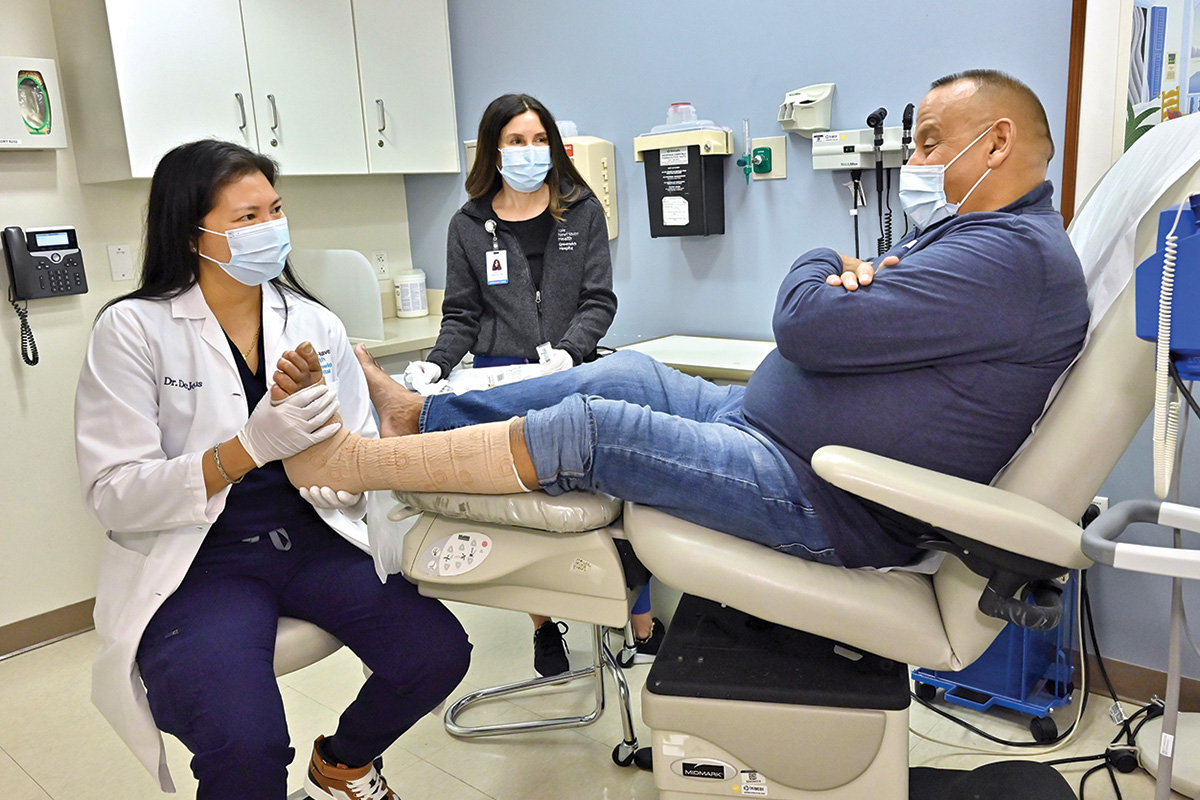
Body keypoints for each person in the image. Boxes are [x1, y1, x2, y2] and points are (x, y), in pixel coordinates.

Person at [273, 69, 1089, 580]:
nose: (915, 162)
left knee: (601, 427)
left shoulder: (1013, 257)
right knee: (629, 374)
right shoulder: (968, 239)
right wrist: (845, 283)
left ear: (998, 143)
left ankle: (362, 461)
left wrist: (819, 258)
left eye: (928, 143)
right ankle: (419, 415)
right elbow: (844, 322)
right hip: (762, 429)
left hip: (828, 497)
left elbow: (806, 322)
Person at [74, 140, 471, 800]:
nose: (270, 229)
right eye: (247, 217)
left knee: (436, 655)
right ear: (190, 231)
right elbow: (112, 494)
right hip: (201, 561)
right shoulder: (133, 330)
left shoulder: (313, 323)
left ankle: (342, 765)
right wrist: (246, 449)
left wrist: (339, 469)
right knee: (247, 748)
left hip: (313, 540)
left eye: (276, 210)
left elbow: (357, 450)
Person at [404, 93, 639, 676]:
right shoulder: (468, 224)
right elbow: (460, 313)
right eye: (515, 141)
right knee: (524, 504)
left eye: (539, 140)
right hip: (499, 376)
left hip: (569, 370)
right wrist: (436, 364)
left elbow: (598, 300)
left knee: (617, 490)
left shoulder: (580, 212)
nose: (530, 152)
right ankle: (543, 620)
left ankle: (641, 618)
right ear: (493, 149)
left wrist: (570, 351)